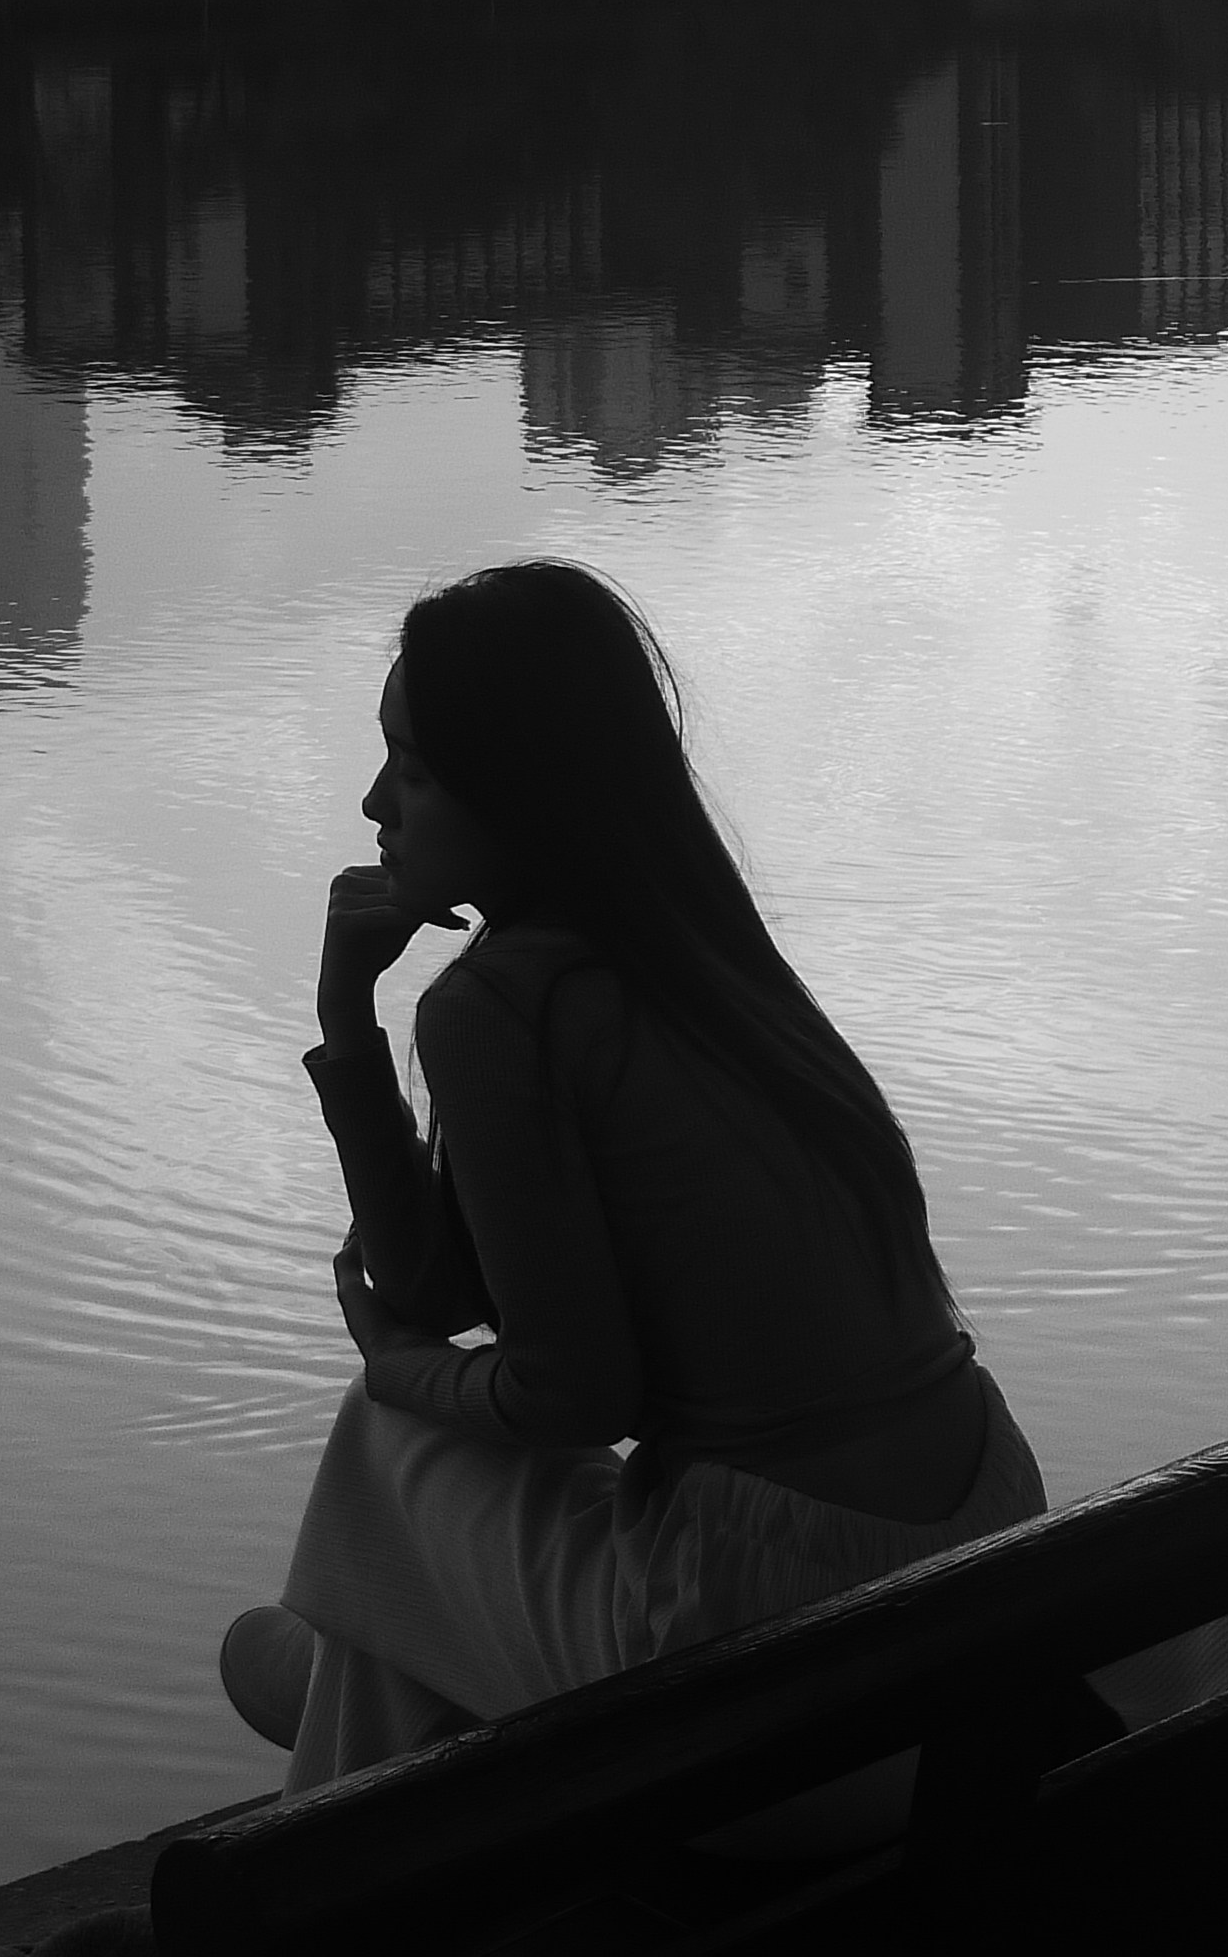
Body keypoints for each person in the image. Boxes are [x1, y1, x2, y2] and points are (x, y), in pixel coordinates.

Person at [220, 561, 1047, 1790]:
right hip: (984, 1574)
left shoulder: (508, 1003)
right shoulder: (708, 956)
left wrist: (399, 1367)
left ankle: (352, 1734)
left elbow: (566, 1388)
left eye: (414, 765)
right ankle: (376, 1687)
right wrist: (348, 1020)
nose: (372, 801)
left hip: (771, 1685)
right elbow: (447, 1277)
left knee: (387, 1429)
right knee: (394, 1516)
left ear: (516, 787)